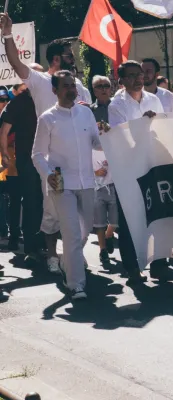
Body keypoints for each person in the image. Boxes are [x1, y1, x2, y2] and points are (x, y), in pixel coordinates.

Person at [0, 13, 92, 273]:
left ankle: (74, 252)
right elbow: (17, 63)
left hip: (81, 166)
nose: (73, 58)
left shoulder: (81, 88)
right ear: (55, 59)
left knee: (83, 216)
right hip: (54, 168)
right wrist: (7, 33)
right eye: (68, 55)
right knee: (54, 211)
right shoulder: (40, 82)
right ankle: (54, 256)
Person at [31, 70, 102, 300]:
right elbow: (37, 154)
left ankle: (66, 262)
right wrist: (48, 173)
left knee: (83, 231)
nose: (72, 89)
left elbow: (97, 143)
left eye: (73, 85)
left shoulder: (86, 114)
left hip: (87, 181)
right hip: (62, 183)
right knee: (71, 233)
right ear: (55, 90)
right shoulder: (47, 118)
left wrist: (106, 135)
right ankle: (75, 284)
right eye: (66, 86)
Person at [108, 60, 165, 285]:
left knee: (158, 217)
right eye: (131, 75)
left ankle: (159, 263)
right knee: (131, 219)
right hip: (129, 169)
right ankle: (132, 267)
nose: (138, 79)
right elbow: (122, 138)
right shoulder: (117, 105)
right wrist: (143, 126)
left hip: (153, 165)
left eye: (140, 74)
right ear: (121, 80)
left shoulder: (154, 100)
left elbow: (162, 131)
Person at [0, 75, 43, 259]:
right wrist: (4, 154)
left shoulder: (48, 97)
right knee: (25, 201)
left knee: (44, 203)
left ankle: (43, 244)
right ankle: (28, 245)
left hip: (49, 160)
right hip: (23, 161)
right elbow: (5, 129)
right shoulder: (19, 103)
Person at [89, 75, 116, 263]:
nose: (104, 89)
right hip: (97, 162)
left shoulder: (117, 107)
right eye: (99, 86)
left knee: (115, 213)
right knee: (99, 209)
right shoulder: (89, 111)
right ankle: (102, 248)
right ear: (94, 90)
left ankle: (109, 233)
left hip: (116, 161)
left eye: (107, 85)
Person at [0, 86, 20, 248]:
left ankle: (14, 235)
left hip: (12, 165)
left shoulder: (13, 114)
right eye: (1, 100)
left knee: (14, 200)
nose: (4, 103)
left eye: (6, 99)